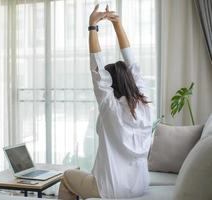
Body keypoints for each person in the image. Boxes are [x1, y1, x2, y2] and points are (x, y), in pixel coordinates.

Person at [58, 4, 153, 199]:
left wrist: (92, 26)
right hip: (141, 186)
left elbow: (97, 68)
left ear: (111, 85)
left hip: (110, 189)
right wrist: (118, 25)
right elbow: (132, 64)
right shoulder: (144, 104)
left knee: (67, 177)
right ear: (130, 80)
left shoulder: (110, 107)